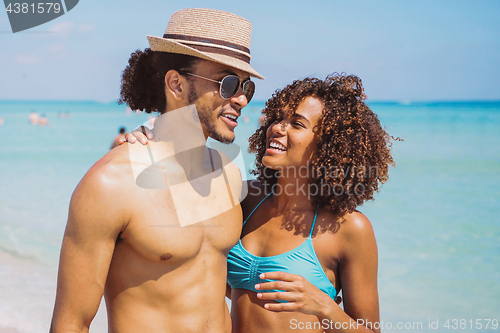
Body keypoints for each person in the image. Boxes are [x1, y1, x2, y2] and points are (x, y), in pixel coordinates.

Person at [128, 74, 396, 332]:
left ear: (328, 146)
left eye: (297, 124)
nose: (277, 128)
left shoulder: (348, 228)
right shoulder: (243, 198)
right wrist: (152, 137)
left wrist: (325, 308)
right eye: (278, 118)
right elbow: (168, 197)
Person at [50, 8, 263, 333]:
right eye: (227, 83)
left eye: (246, 88)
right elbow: (71, 323)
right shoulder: (112, 184)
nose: (241, 100)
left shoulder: (229, 174)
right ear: (176, 84)